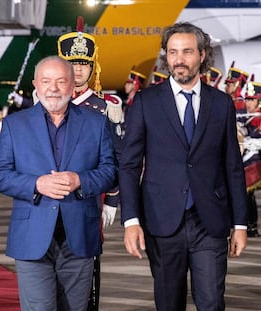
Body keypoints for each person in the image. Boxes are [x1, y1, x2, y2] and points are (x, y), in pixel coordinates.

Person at [118, 22, 248, 310]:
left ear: (202, 55)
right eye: (172, 52)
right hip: (161, 221)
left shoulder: (222, 104)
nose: (179, 59)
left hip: (210, 221)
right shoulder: (144, 102)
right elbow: (128, 166)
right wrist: (131, 221)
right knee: (168, 303)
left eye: (187, 51)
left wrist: (240, 223)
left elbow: (233, 167)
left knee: (212, 303)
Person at [0, 55, 117, 311]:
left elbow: (111, 171)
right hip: (32, 236)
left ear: (72, 86)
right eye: (46, 81)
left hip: (79, 237)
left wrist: (79, 179)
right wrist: (36, 184)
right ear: (36, 84)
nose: (53, 88)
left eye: (61, 81)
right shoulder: (15, 125)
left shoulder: (97, 122)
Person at [57, 16, 123, 310]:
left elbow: (117, 157)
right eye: (73, 64)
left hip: (89, 200)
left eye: (84, 64)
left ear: (92, 67)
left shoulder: (105, 107)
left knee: (86, 278)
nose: (78, 69)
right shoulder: (48, 102)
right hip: (52, 199)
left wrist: (112, 199)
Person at [240, 79, 261, 237]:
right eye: (247, 99)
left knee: (246, 189)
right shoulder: (249, 117)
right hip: (251, 159)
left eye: (252, 100)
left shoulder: (258, 118)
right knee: (246, 193)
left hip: (257, 161)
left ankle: (251, 224)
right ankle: (250, 224)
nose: (248, 103)